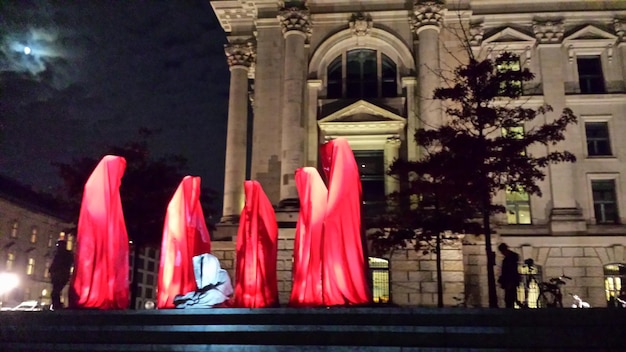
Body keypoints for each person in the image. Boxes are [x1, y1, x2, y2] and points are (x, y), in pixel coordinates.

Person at [49, 239, 74, 310]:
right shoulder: (63, 254)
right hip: (60, 275)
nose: (58, 247)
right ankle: (57, 305)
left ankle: (57, 306)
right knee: (55, 292)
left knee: (55, 292)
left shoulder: (63, 254)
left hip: (61, 275)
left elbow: (56, 264)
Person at [497, 243, 520, 308]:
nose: (502, 253)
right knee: (511, 298)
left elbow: (509, 271)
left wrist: (505, 280)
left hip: (510, 281)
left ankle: (511, 311)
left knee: (509, 298)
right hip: (511, 281)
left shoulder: (509, 259)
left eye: (502, 252)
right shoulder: (511, 258)